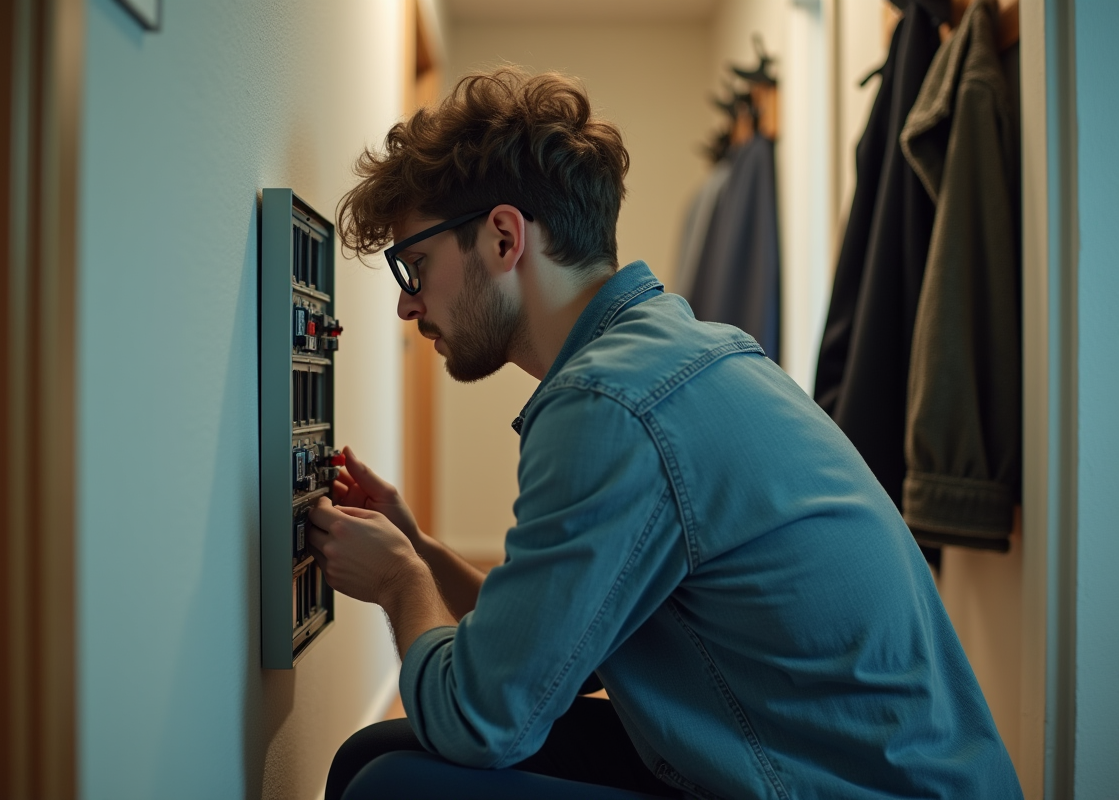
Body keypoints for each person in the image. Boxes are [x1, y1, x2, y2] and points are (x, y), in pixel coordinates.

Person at [312, 67, 1021, 800]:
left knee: (390, 787)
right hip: (837, 764)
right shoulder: (675, 355)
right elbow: (566, 654)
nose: (407, 305)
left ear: (501, 237)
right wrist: (419, 549)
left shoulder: (608, 405)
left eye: (414, 265)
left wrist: (400, 584)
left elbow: (484, 720)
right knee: (375, 751)